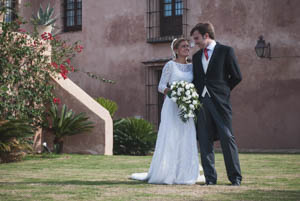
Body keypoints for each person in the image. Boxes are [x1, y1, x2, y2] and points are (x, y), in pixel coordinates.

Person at [130, 38, 205, 184]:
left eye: (188, 46)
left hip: (186, 107)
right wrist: (175, 94)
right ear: (176, 50)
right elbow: (161, 86)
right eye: (183, 46)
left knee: (186, 137)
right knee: (171, 136)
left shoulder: (192, 67)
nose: (187, 48)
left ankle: (184, 173)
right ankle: (167, 172)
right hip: (171, 106)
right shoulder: (170, 65)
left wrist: (188, 97)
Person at [190, 22, 243, 186]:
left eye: (197, 38)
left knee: (227, 138)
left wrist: (223, 92)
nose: (195, 42)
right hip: (202, 103)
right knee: (205, 141)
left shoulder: (226, 51)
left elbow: (237, 76)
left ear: (206, 35)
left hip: (220, 103)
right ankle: (210, 179)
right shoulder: (196, 57)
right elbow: (197, 79)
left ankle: (235, 178)